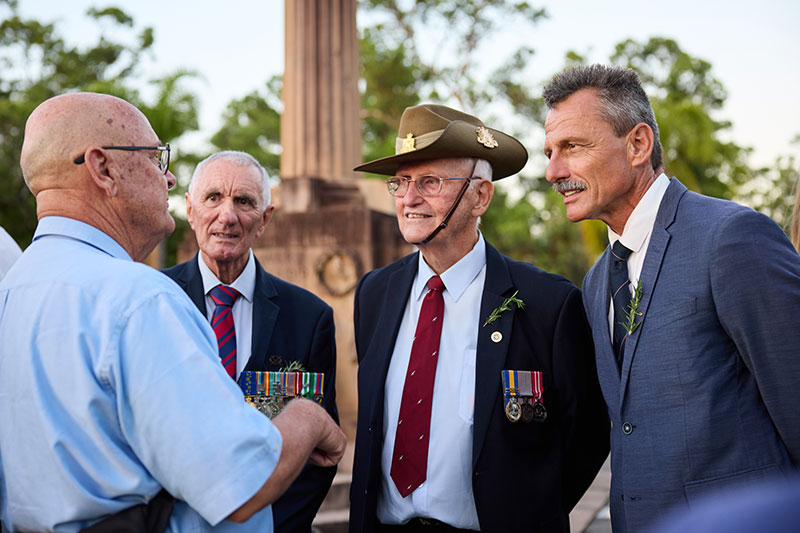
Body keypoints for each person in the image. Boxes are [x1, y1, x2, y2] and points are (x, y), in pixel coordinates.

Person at [0, 92, 345, 532]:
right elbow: (237, 483)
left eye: (244, 201)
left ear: (265, 216)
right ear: (103, 168)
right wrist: (306, 417)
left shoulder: (11, 290)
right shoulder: (139, 298)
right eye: (156, 159)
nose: (167, 178)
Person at [542, 64, 800, 532]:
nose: (552, 171)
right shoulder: (597, 280)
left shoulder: (732, 238)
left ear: (638, 144)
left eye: (572, 147)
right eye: (550, 153)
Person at [348, 104, 609, 532]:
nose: (409, 199)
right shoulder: (374, 294)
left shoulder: (549, 304)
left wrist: (527, 512)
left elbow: (588, 434)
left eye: (429, 182)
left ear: (480, 196)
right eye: (401, 183)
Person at [163, 150, 339, 532]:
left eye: (244, 201)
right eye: (213, 198)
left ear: (265, 219)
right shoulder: (154, 300)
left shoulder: (310, 318)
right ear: (190, 211)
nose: (227, 216)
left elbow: (318, 454)